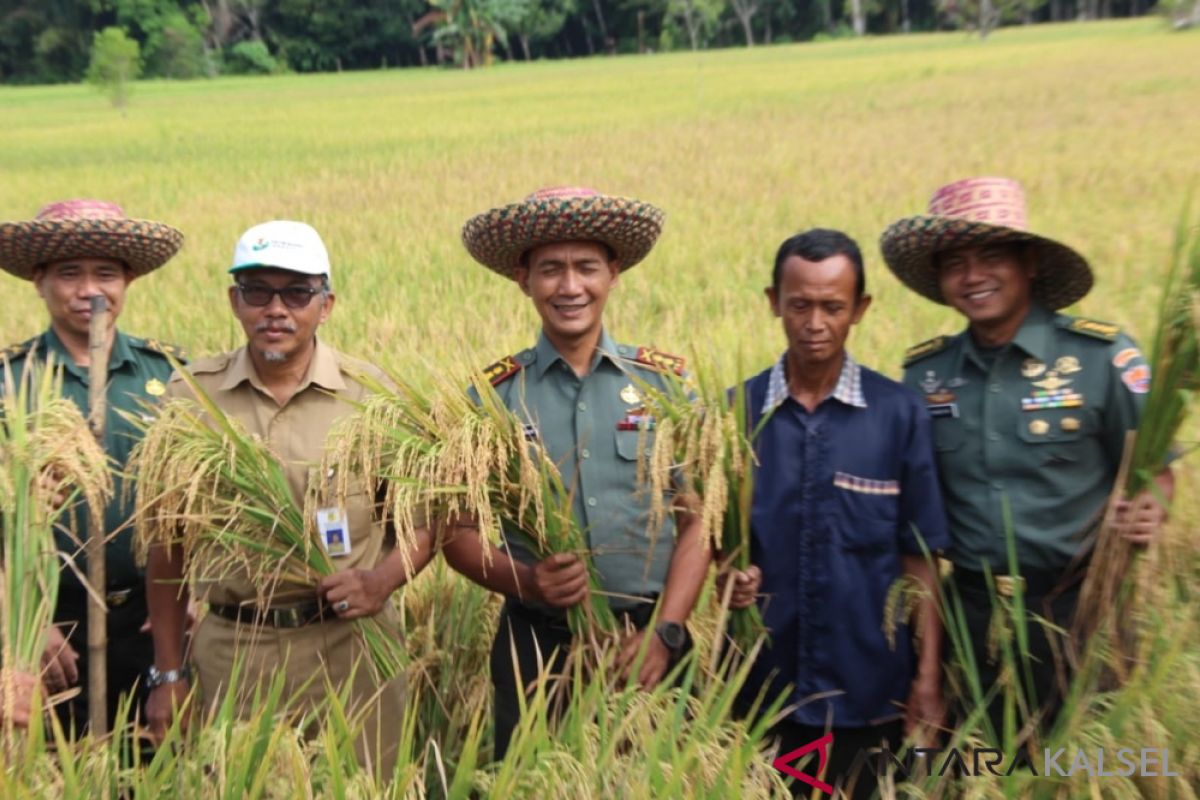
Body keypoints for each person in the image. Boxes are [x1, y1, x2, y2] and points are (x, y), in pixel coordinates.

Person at [879, 176, 1173, 740]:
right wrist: (927, 668)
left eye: (991, 256)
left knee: (1085, 769)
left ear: (1030, 262)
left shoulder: (1103, 358)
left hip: (1080, 613)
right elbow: (917, 534)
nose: (973, 276)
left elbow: (1155, 467)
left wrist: (1152, 504)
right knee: (979, 769)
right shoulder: (926, 375)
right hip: (971, 616)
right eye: (955, 263)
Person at [143, 220, 433, 774]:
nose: (276, 309)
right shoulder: (190, 398)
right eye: (258, 291)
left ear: (325, 305)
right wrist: (169, 674)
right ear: (235, 301)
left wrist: (382, 581)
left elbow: (426, 521)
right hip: (234, 649)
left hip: (353, 649)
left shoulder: (373, 396)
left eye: (297, 292)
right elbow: (167, 547)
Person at [444, 186, 711, 760]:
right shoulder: (493, 397)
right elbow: (458, 536)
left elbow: (698, 524)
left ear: (613, 272)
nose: (570, 287)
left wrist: (664, 634)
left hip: (651, 643)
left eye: (586, 267)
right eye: (551, 270)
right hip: (537, 646)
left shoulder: (667, 387)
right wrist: (528, 582)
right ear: (523, 278)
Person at [723, 229, 950, 799]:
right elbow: (709, 543)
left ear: (861, 310)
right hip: (763, 694)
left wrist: (926, 680)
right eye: (799, 305)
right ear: (774, 301)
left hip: (871, 695)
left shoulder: (899, 414)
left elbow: (919, 560)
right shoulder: (733, 412)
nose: (815, 323)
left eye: (833, 307)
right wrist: (728, 578)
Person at [0, 199, 184, 733]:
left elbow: (207, 508)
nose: (89, 291)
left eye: (105, 273)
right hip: (43, 630)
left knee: (157, 770)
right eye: (69, 274)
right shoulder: (11, 384)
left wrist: (193, 600)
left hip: (155, 625)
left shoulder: (173, 376)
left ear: (128, 279)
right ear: (39, 280)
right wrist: (19, 622)